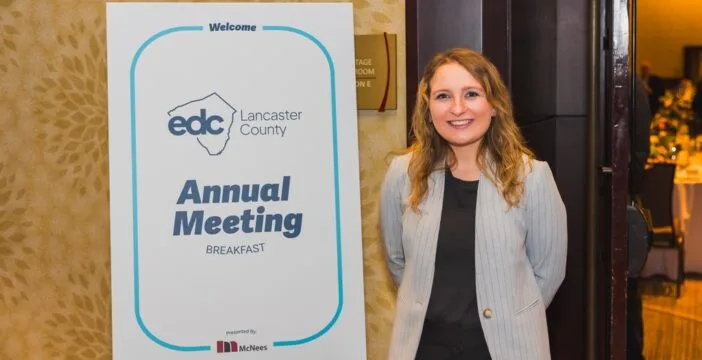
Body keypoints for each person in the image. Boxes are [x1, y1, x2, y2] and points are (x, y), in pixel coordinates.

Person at [380, 48, 568, 360]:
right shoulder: (403, 174)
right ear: (428, 108)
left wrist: (508, 317)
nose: (457, 108)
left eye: (471, 94)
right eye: (442, 96)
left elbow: (547, 275)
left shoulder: (532, 178)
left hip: (506, 349)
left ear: (494, 105)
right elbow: (398, 262)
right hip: (423, 348)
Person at [627, 77, 653, 360]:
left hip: (621, 203)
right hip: (624, 197)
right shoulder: (635, 86)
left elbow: (637, 153)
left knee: (627, 299)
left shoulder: (631, 86)